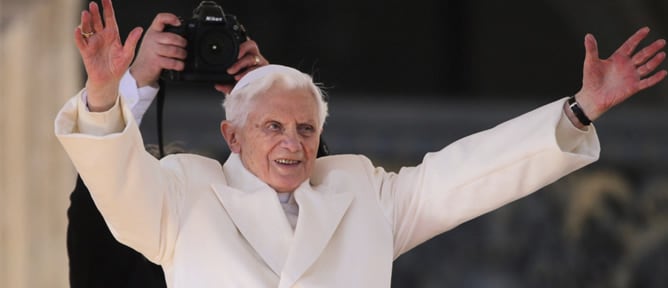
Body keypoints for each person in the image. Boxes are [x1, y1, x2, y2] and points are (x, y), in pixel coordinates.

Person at [56, 0, 667, 287]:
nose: (292, 142)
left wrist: (581, 109)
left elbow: (469, 174)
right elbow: (116, 184)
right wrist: (113, 92)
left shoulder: (362, 192)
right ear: (231, 137)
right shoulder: (187, 194)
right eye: (272, 126)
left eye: (305, 128)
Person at [65, 8, 269, 288]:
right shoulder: (123, 256)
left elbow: (323, 200)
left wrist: (273, 95)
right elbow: (101, 195)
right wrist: (114, 90)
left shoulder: (262, 247)